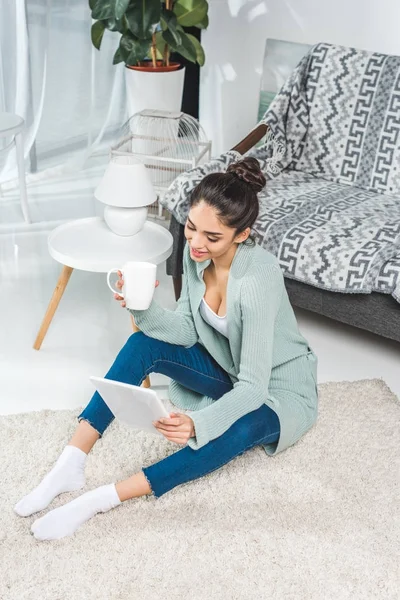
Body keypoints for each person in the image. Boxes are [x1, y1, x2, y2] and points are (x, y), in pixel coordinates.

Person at [14, 157, 318, 541]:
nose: (195, 242)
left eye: (212, 236)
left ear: (242, 235)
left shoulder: (257, 279)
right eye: (192, 228)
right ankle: (71, 461)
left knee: (237, 431)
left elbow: (255, 388)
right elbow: (188, 328)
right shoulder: (196, 259)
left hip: (279, 390)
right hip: (230, 369)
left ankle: (103, 498)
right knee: (143, 343)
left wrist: (199, 424)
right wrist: (141, 307)